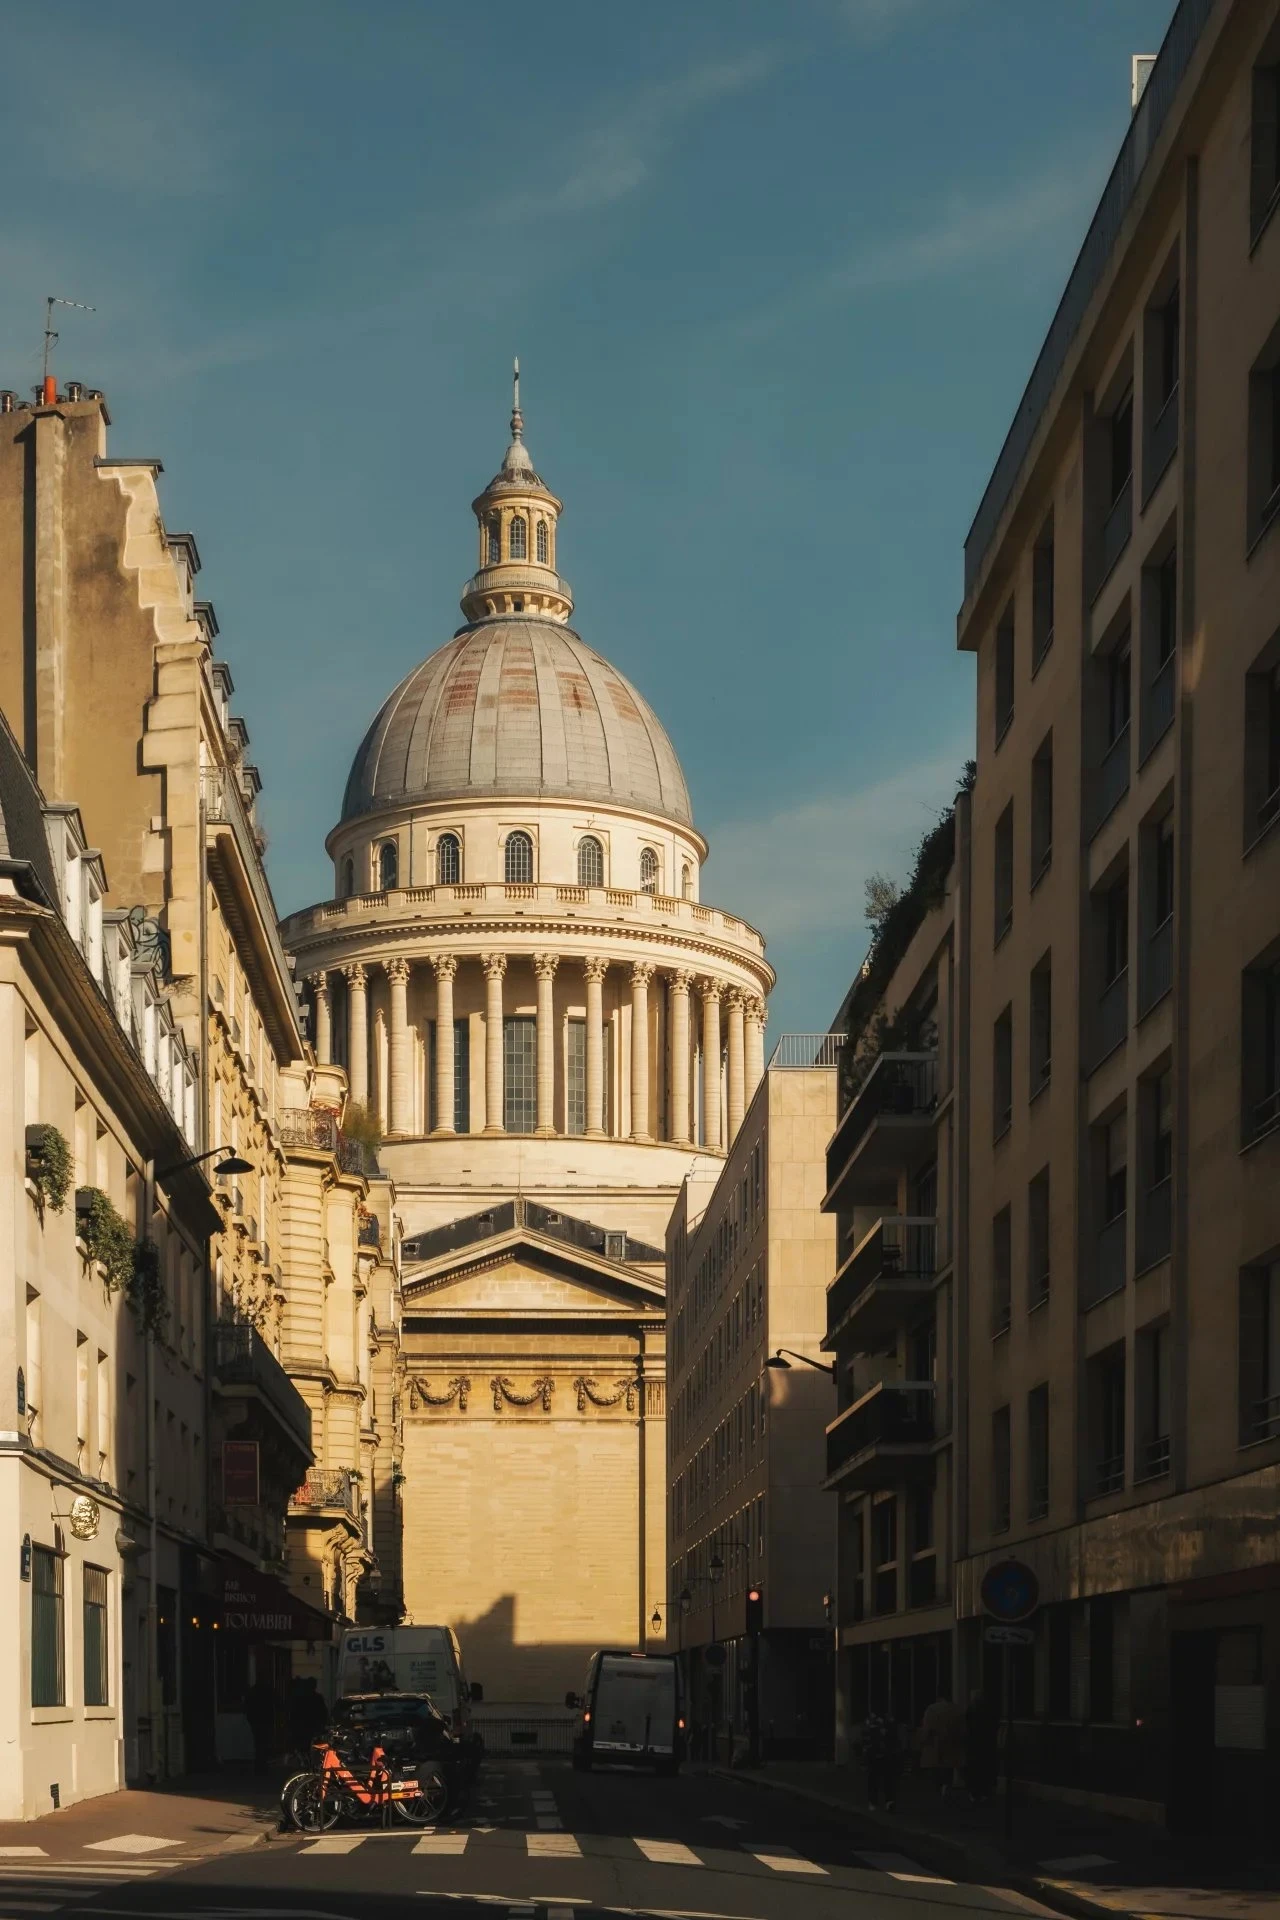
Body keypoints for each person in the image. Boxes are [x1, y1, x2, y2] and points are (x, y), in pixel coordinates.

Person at [920, 1693, 965, 1797]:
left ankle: (939, 1787)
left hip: (936, 1742)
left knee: (936, 1766)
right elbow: (963, 1728)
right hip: (953, 1741)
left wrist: (923, 1740)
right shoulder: (957, 1709)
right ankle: (946, 1785)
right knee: (949, 1766)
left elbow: (927, 1727)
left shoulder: (932, 1709)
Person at [857, 1708, 901, 1811]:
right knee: (887, 1779)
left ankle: (874, 1802)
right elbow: (894, 1737)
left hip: (875, 1753)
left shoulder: (871, 1719)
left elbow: (865, 1737)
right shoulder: (889, 1719)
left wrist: (865, 1752)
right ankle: (888, 1801)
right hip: (886, 1754)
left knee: (874, 1779)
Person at [964, 1689, 999, 1802]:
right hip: (986, 1744)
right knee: (985, 1768)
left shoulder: (971, 1710)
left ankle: (975, 1793)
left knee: (974, 1769)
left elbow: (967, 1725)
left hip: (974, 1744)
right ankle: (984, 1792)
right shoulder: (989, 1711)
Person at [243, 1671, 278, 1774]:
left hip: (257, 1721)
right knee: (264, 1743)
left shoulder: (254, 1691)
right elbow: (277, 1702)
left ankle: (260, 1766)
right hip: (265, 1720)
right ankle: (262, 1765)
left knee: (259, 1744)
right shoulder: (267, 1690)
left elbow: (247, 1706)